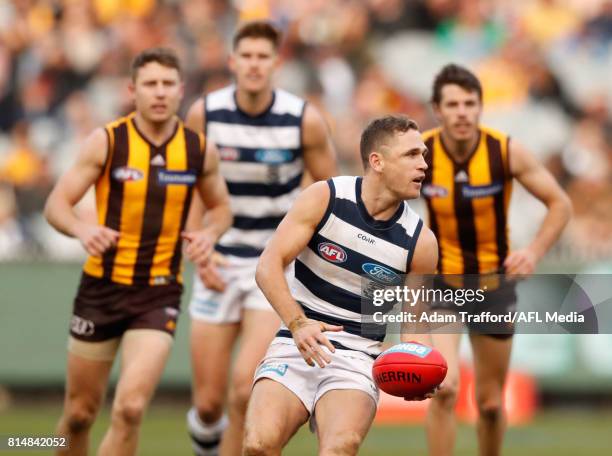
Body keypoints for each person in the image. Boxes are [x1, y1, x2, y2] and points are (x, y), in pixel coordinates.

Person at [44, 48, 232, 456]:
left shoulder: (200, 150)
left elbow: (221, 209)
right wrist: (81, 228)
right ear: (133, 90)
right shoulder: (108, 141)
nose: (159, 92)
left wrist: (208, 233)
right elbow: (56, 204)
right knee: (79, 414)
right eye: (150, 83)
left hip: (158, 292)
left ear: (181, 90)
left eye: (168, 84)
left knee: (129, 409)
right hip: (101, 288)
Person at [242, 115, 438, 456]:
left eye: (423, 155)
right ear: (377, 161)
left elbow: (415, 321)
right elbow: (267, 266)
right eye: (411, 155)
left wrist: (418, 367)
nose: (423, 164)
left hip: (358, 356)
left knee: (340, 447)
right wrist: (298, 322)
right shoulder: (325, 197)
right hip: (295, 342)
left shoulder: (420, 241)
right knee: (259, 445)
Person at [184, 21, 337, 456]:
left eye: (262, 57)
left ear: (276, 63)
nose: (254, 64)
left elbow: (330, 192)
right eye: (246, 56)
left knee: (242, 387)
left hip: (272, 265)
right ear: (232, 62)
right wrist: (198, 248)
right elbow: (191, 186)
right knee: (209, 403)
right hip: (219, 258)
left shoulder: (302, 119)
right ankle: (208, 441)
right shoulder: (205, 113)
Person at [420, 63, 572, 456]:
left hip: (494, 287)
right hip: (444, 285)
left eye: (470, 103)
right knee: (445, 387)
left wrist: (534, 251)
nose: (462, 112)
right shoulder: (420, 151)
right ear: (437, 110)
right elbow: (384, 203)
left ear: (481, 107)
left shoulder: (505, 150)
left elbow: (559, 204)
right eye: (452, 104)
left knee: (489, 404)